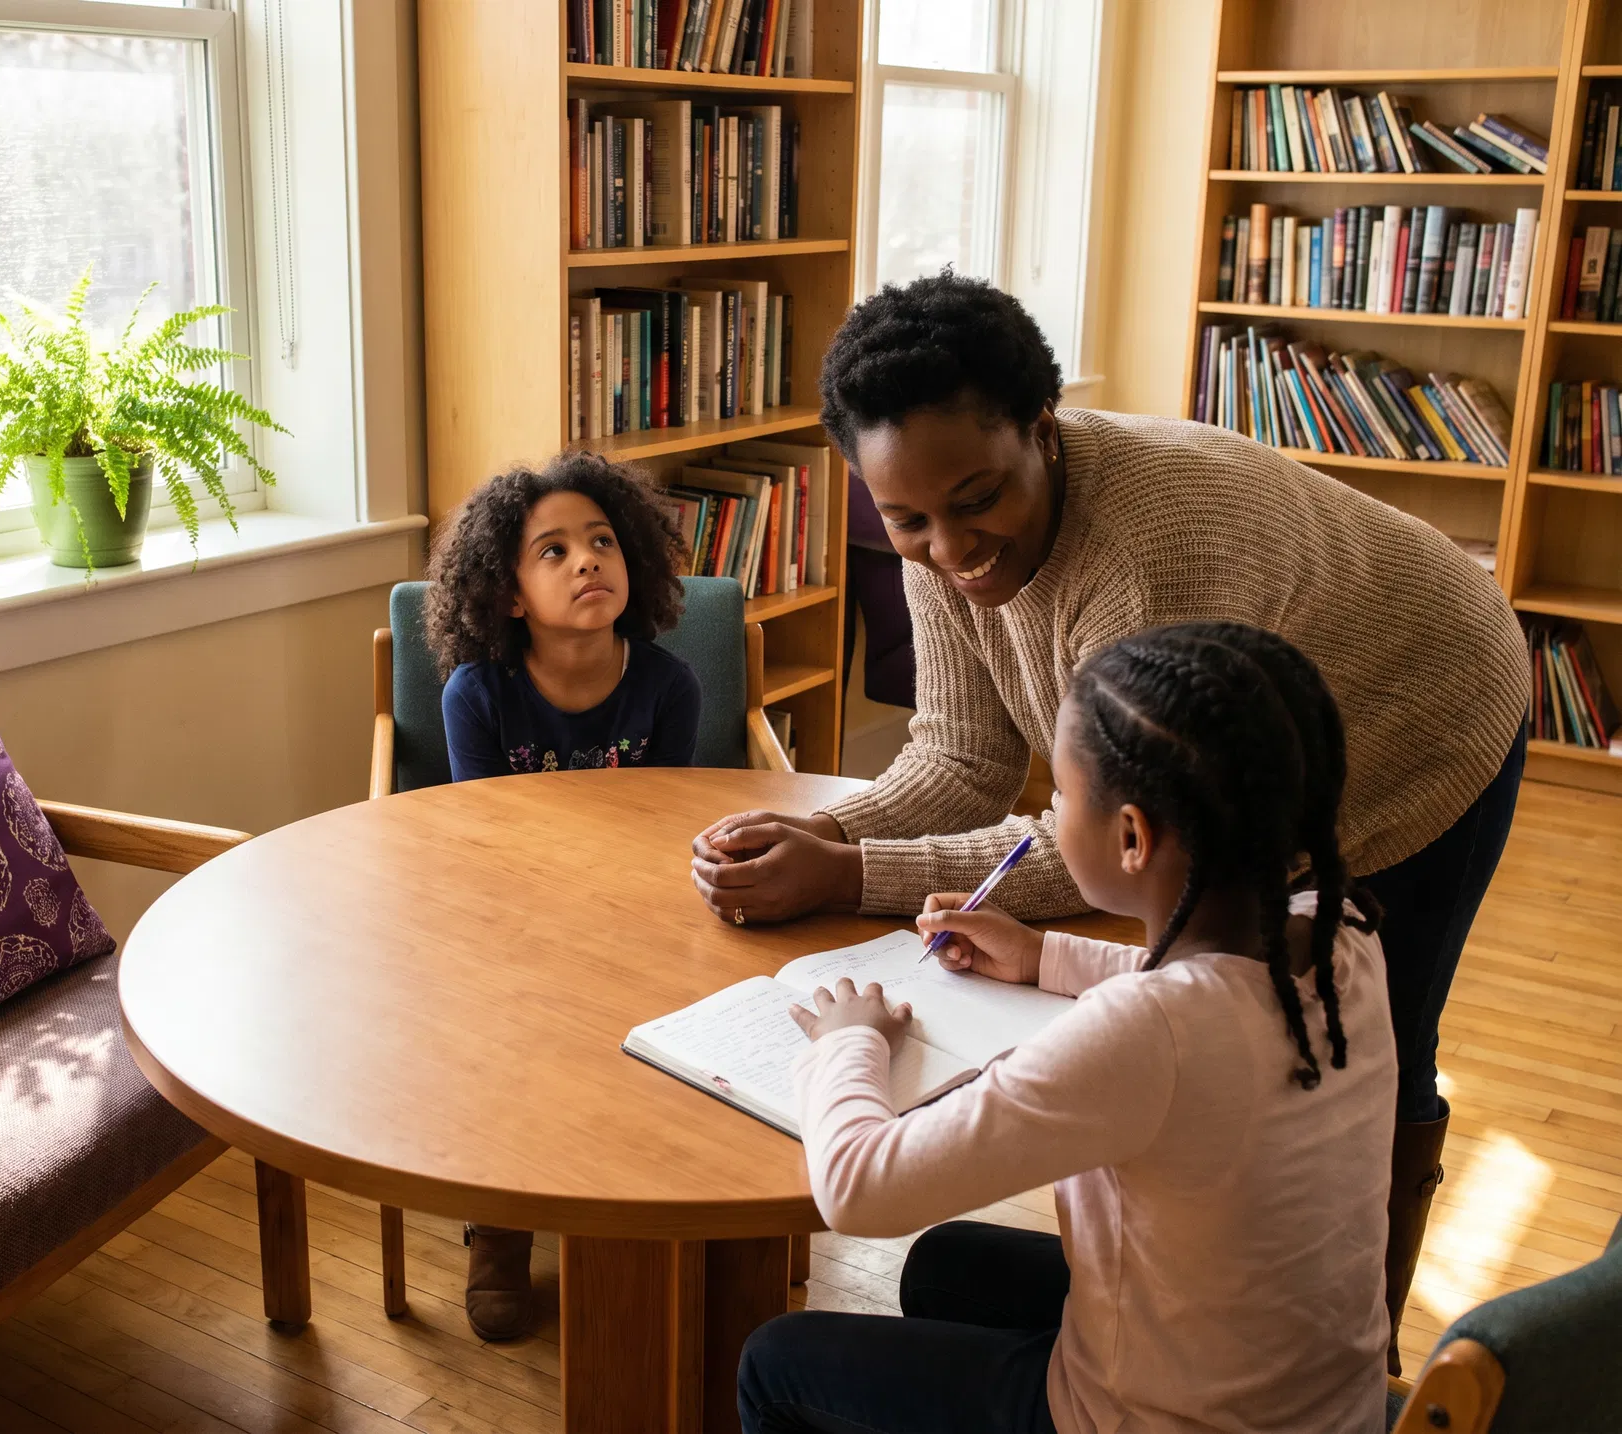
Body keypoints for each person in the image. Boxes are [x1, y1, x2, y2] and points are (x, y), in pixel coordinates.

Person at [690, 274, 1527, 1366]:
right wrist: (831, 838)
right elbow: (962, 757)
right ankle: (1226, 1321)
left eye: (976, 501)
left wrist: (851, 878)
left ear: (1044, 429)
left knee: (1364, 1040)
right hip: (1255, 749)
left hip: (1423, 713)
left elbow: (1122, 839)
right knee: (1246, 1026)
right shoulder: (941, 520)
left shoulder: (1147, 554)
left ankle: (1354, 1367)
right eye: (907, 521)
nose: (950, 547)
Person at [738, 622, 1395, 1434]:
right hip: (1317, 1399)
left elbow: (859, 1189)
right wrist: (1043, 955)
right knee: (944, 1265)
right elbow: (1216, 997)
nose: (1050, 812)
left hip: (1158, 1422)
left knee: (774, 1361)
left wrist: (850, 1041)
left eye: (1060, 796)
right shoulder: (1341, 935)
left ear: (1132, 838)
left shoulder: (1148, 1030)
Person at [425, 450, 702, 1338]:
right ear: (508, 595)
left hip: (635, 909)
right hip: (513, 918)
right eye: (553, 551)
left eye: (602, 541)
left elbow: (666, 826)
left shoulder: (668, 686)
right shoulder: (476, 694)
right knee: (505, 1031)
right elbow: (487, 838)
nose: (587, 560)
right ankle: (500, 1224)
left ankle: (644, 1186)